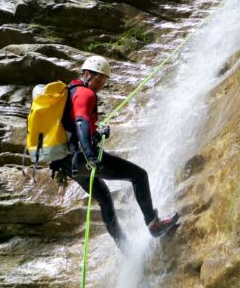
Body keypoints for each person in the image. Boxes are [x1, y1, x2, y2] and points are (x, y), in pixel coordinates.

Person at [51, 56, 179, 251]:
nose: (101, 84)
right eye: (98, 79)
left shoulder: (71, 93)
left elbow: (76, 128)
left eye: (103, 81)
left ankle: (125, 248)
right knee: (139, 176)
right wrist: (90, 154)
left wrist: (98, 134)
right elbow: (80, 123)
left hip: (69, 164)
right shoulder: (86, 94)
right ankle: (153, 224)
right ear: (87, 74)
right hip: (84, 158)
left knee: (104, 199)